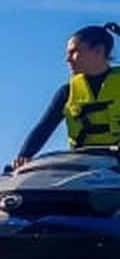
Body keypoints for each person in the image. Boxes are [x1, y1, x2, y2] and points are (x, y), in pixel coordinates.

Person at [14, 22, 120, 168]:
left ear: (98, 50)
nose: (68, 59)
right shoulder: (67, 92)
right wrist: (24, 156)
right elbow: (44, 127)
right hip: (85, 164)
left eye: (74, 52)